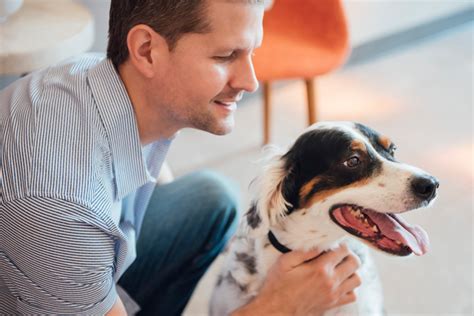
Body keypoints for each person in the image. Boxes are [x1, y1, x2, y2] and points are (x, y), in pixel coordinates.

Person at [0, 0, 361, 315]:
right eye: (225, 56)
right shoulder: (57, 204)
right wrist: (283, 306)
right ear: (146, 50)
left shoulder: (99, 77)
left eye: (251, 52)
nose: (250, 81)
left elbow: (149, 175)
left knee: (211, 198)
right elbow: (63, 210)